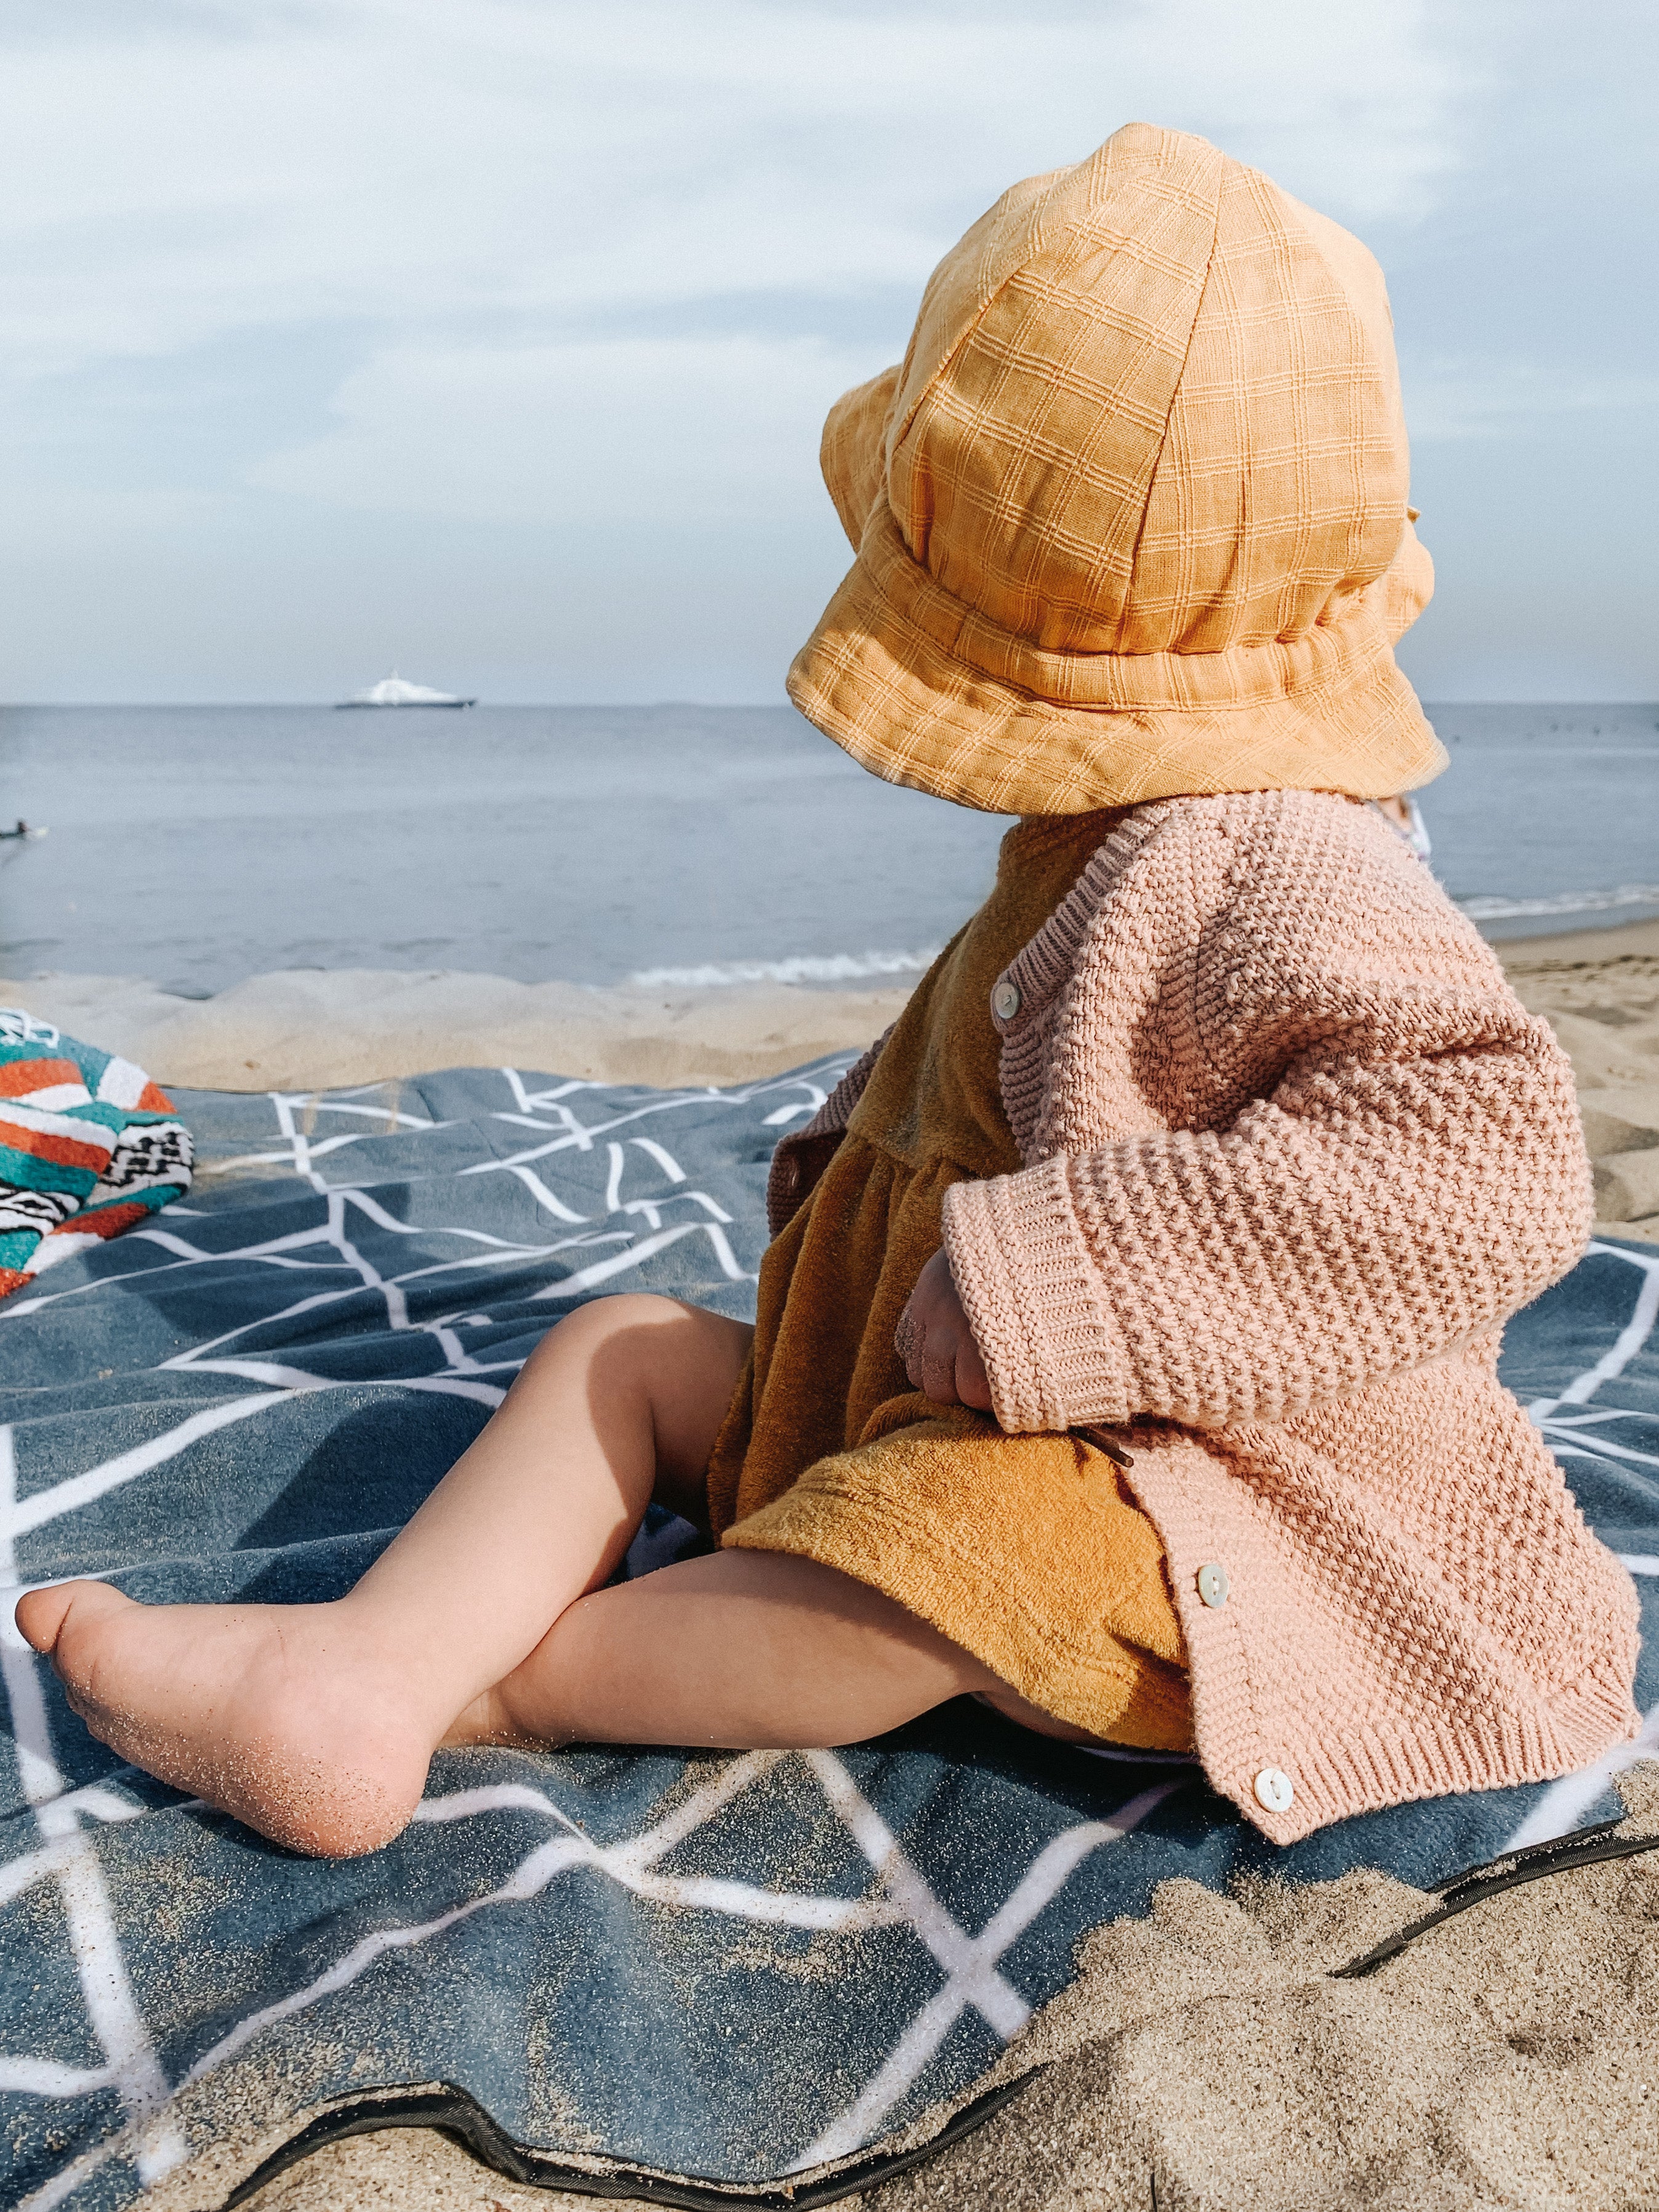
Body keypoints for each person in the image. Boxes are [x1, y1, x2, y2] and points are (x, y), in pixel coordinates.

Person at [18, 123, 1639, 1858]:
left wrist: (1067, 1276)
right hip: (928, 1393)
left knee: (943, 1554)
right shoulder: (1128, 823)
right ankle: (386, 1650)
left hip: (1197, 1499)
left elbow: (1485, 1164)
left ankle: (463, 1690)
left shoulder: (1290, 857)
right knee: (622, 1349)